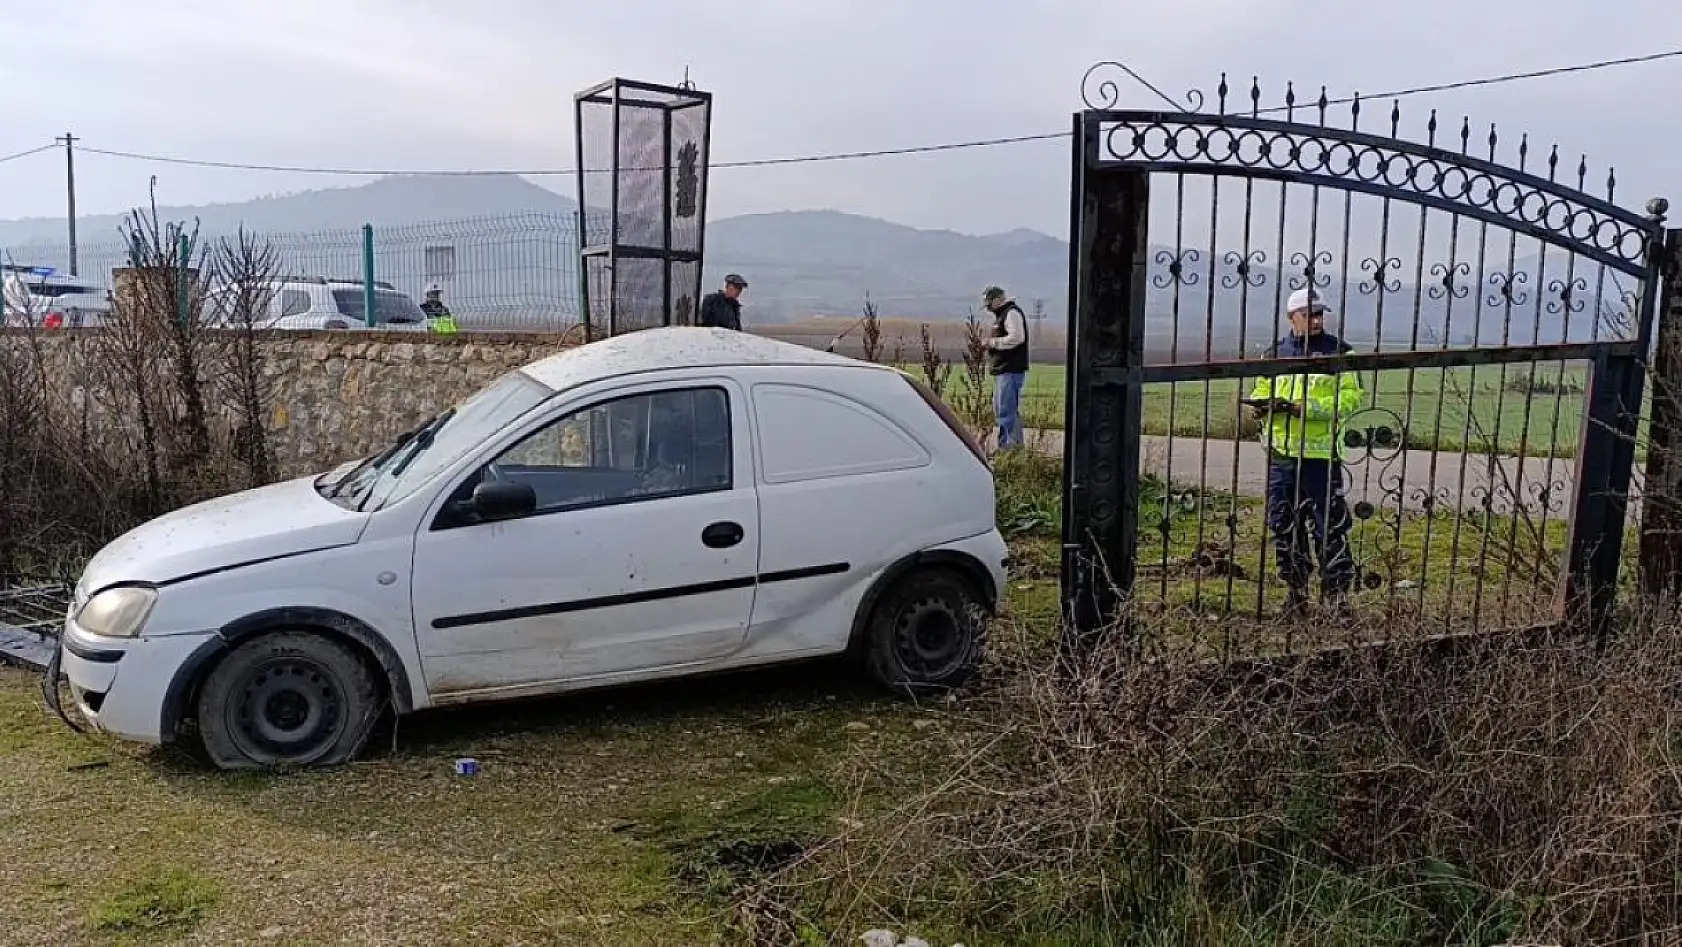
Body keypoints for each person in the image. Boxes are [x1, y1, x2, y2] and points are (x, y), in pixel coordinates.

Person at [1248, 287, 1364, 618]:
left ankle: (1337, 597)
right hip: (1282, 456)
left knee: (1330, 526)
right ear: (1292, 318)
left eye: (1319, 315)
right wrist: (1259, 407)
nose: (1316, 321)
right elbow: (1260, 388)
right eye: (1308, 315)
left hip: (1321, 458)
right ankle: (1295, 593)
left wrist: (1306, 409)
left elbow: (1351, 399)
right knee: (1284, 525)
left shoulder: (1340, 352)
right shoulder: (1275, 354)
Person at [982, 286, 1029, 450]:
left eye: (989, 303)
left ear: (998, 300)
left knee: (1007, 411)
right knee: (1002, 410)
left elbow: (1017, 337)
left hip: (1010, 370)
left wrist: (993, 343)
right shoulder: (1003, 315)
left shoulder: (1011, 313)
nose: (988, 308)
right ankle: (1005, 447)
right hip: (1003, 371)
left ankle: (1012, 448)